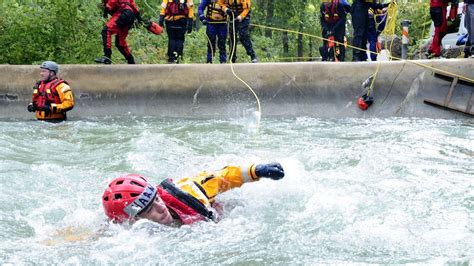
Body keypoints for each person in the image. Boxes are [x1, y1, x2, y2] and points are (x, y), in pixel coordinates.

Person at [102, 162, 284, 225]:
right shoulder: (129, 235)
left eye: (156, 198)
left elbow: (221, 178)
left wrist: (256, 171)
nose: (161, 207)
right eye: (149, 210)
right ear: (133, 220)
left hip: (221, 214)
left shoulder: (187, 192)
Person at [95, 0, 141, 64]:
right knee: (120, 43)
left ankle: (107, 57)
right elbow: (132, 3)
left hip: (123, 13)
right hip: (130, 15)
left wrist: (107, 8)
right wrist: (139, 18)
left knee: (106, 30)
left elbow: (112, 1)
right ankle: (131, 62)